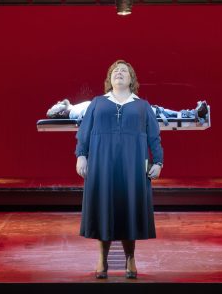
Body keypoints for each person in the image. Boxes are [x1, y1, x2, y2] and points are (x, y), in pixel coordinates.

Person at [76, 60, 163, 279]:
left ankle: (130, 258)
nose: (119, 73)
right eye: (115, 71)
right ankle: (101, 258)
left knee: (129, 208)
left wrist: (158, 162)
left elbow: (154, 136)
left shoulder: (143, 106)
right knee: (103, 207)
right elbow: (84, 132)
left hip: (133, 164)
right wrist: (81, 156)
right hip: (102, 163)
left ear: (132, 79)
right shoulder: (97, 103)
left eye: (124, 71)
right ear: (109, 79)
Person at [46, 99, 209, 123]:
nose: (59, 101)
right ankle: (192, 115)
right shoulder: (74, 112)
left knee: (154, 110)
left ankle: (191, 114)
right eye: (57, 105)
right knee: (153, 111)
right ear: (60, 113)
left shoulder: (74, 107)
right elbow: (91, 115)